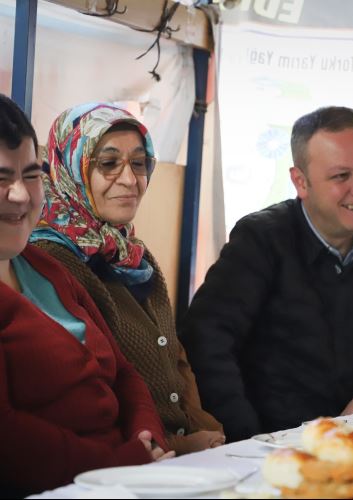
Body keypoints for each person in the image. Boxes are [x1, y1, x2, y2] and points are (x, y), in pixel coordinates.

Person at [179, 106, 353, 442]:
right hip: (266, 448)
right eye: (342, 176)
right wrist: (246, 438)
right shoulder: (260, 239)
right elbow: (205, 343)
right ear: (301, 181)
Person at [0, 95, 173, 497]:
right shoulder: (61, 252)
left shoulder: (42, 266)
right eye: (0, 178)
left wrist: (148, 438)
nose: (22, 196)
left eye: (30, 174)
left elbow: (125, 373)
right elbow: (8, 438)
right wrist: (126, 461)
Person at [30, 102, 224, 455]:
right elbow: (88, 391)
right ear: (72, 167)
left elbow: (176, 360)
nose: (129, 179)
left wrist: (207, 432)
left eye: (139, 163)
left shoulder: (131, 253)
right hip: (122, 463)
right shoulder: (52, 258)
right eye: (108, 163)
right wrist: (179, 446)